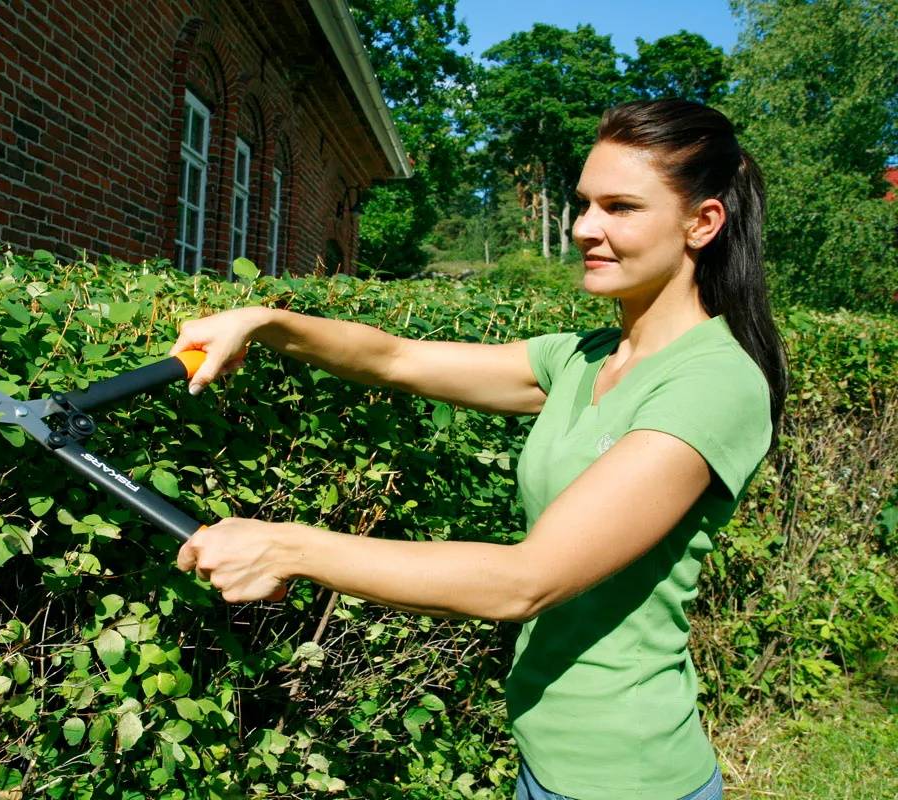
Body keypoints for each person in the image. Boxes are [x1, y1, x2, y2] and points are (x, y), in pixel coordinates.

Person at [168, 99, 787, 800]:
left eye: (620, 208)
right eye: (583, 204)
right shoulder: (583, 358)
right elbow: (396, 358)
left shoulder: (713, 383)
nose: (585, 228)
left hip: (628, 776)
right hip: (547, 759)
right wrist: (267, 321)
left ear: (702, 223)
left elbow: (526, 582)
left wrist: (288, 549)